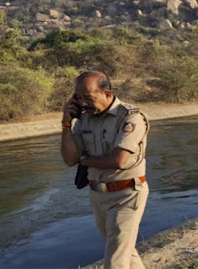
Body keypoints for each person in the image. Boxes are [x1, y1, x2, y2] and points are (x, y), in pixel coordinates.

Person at [61, 71, 150, 269]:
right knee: (125, 252)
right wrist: (66, 123)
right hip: (98, 195)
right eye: (79, 98)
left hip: (127, 195)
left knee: (115, 261)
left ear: (107, 94)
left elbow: (119, 160)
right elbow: (70, 159)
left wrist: (85, 161)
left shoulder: (130, 118)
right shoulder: (83, 120)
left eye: (88, 98)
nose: (83, 103)